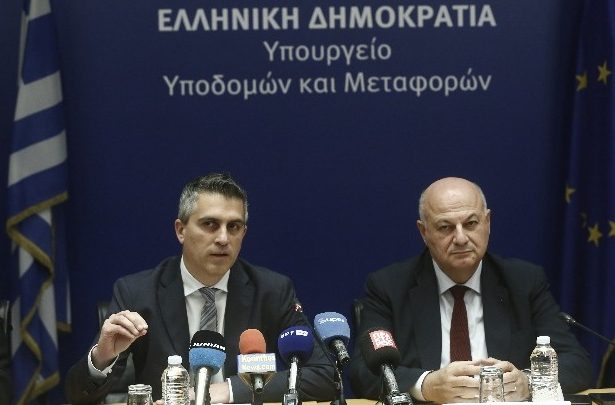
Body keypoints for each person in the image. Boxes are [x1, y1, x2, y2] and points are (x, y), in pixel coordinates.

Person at [65, 173, 335, 404]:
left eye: (234, 227)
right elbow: (78, 397)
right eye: (210, 224)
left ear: (243, 233)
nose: (223, 238)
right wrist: (102, 358)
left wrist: (229, 390)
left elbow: (326, 376)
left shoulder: (272, 291)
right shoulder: (137, 292)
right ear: (180, 230)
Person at [349, 177, 592, 403]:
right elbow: (363, 372)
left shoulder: (524, 281)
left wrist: (528, 381)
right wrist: (426, 385)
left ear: (487, 222)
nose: (461, 238)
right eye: (445, 227)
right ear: (424, 232)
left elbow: (576, 363)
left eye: (471, 224)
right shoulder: (389, 286)